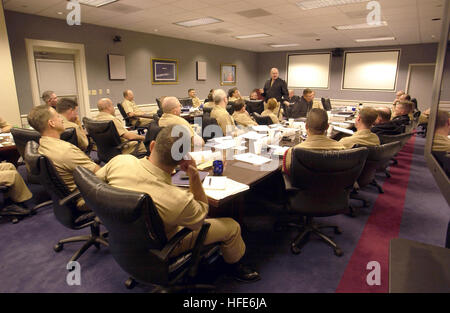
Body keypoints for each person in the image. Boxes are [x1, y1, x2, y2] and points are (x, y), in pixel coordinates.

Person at [95, 125, 260, 282]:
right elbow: (201, 216)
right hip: (161, 248)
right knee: (232, 227)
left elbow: (95, 183)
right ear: (182, 160)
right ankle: (234, 266)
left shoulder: (120, 161)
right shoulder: (178, 201)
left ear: (152, 146)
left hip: (121, 240)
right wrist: (194, 176)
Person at [27, 105, 100, 211]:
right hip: (88, 196)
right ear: (51, 123)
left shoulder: (42, 145)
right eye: (58, 116)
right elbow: (98, 172)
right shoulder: (65, 150)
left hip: (74, 194)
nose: (62, 119)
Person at [282, 108, 345, 176]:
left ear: (306, 126)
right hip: (334, 186)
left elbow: (287, 173)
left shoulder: (292, 152)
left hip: (302, 186)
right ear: (327, 127)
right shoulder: (342, 149)